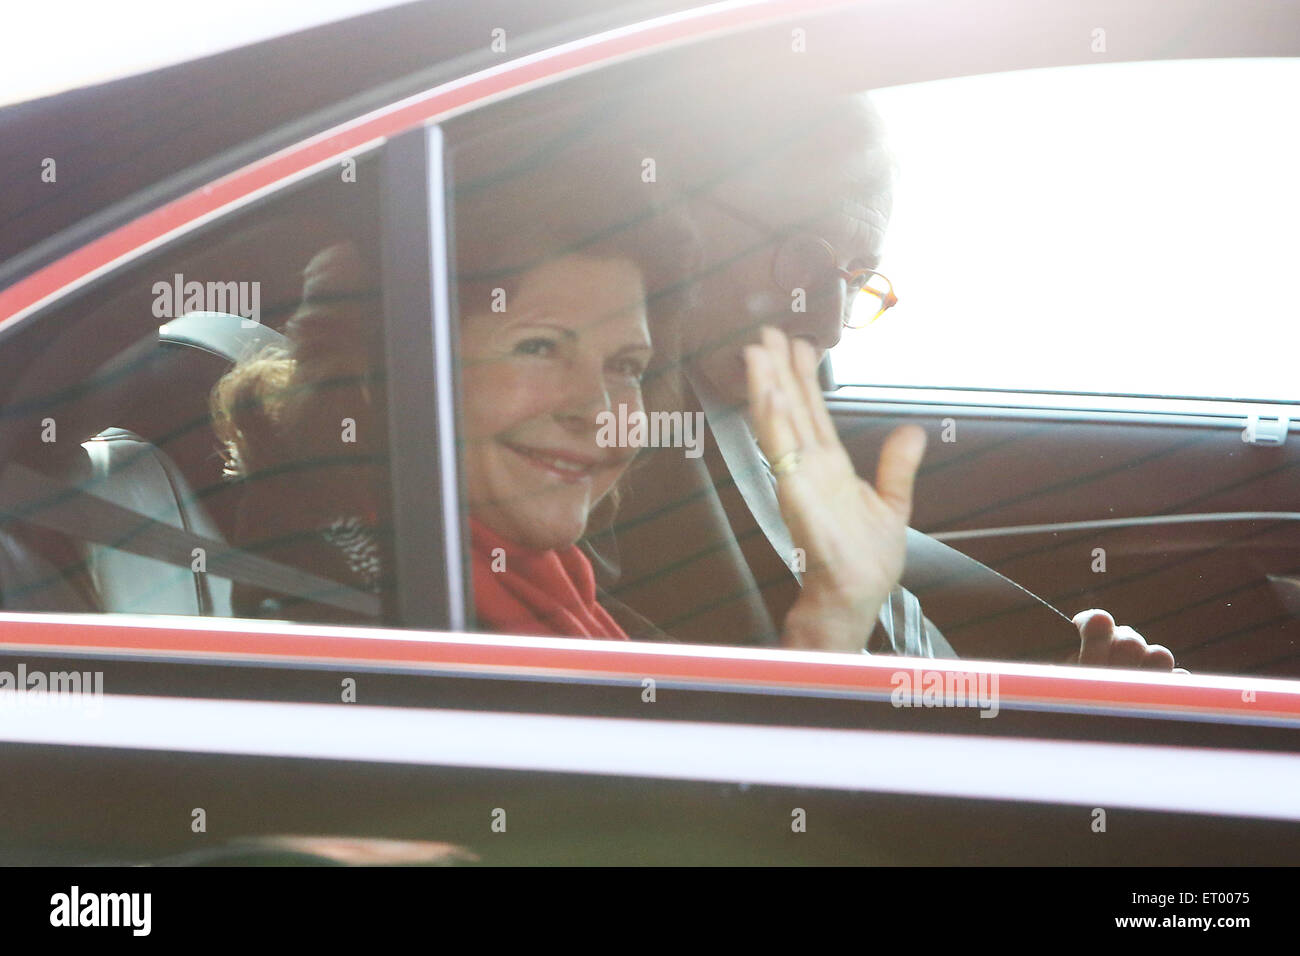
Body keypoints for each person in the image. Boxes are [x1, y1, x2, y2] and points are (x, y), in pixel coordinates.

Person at [593, 84, 1183, 670]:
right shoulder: (611, 448)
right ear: (678, 223)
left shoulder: (745, 425)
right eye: (801, 255)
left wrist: (1057, 691)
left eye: (854, 280)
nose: (828, 327)